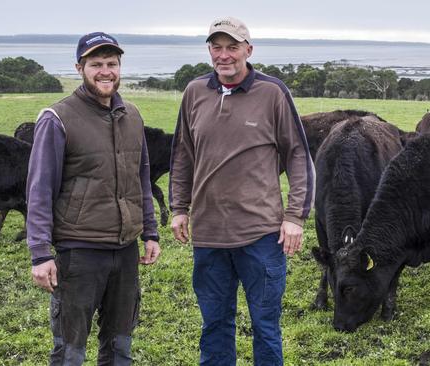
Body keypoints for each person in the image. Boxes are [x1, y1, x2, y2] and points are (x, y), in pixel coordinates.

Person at [169, 16, 314, 365]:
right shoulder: (194, 92)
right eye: (216, 47)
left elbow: (297, 153)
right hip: (209, 235)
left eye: (232, 47)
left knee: (265, 326)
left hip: (261, 235)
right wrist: (178, 207)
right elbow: (183, 154)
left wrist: (295, 216)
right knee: (215, 324)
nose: (224, 55)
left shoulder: (272, 92)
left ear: (248, 50)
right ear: (209, 51)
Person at [27, 31, 161, 365]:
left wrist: (150, 231)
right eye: (96, 64)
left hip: (125, 252)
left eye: (112, 63)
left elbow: (141, 179)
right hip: (79, 252)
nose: (106, 71)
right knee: (70, 348)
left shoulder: (132, 115)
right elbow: (40, 190)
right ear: (79, 68)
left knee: (120, 345)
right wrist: (40, 253)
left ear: (120, 67)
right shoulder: (57, 119)